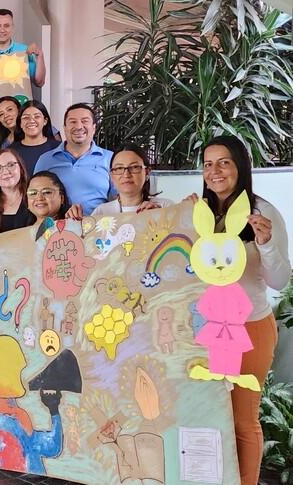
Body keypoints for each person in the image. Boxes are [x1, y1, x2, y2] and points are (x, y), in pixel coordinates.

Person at [185, 136, 290, 485]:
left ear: (240, 166)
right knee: (208, 416)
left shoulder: (261, 212)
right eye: (208, 163)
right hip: (206, 331)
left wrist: (268, 244)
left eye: (224, 162)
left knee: (242, 419)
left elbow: (278, 280)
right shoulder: (197, 212)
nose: (215, 171)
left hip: (249, 328)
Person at [34, 103, 116, 215]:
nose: (78, 126)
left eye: (85, 121)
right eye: (73, 122)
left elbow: (120, 199)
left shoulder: (110, 158)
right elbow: (34, 197)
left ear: (94, 127)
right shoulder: (45, 160)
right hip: (55, 229)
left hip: (99, 227)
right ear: (64, 128)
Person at [91, 143, 173, 216]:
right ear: (111, 176)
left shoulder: (165, 208)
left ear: (147, 172)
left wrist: (160, 218)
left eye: (134, 167)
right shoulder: (102, 212)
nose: (126, 174)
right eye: (119, 168)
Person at [0, 9, 46, 87]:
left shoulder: (25, 52)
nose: (2, 30)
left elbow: (39, 83)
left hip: (19, 98)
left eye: (6, 26)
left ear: (12, 27)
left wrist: (40, 56)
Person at [10, 100, 59, 175]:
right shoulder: (10, 152)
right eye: (26, 117)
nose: (31, 120)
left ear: (45, 121)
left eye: (37, 116)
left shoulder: (58, 148)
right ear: (20, 123)